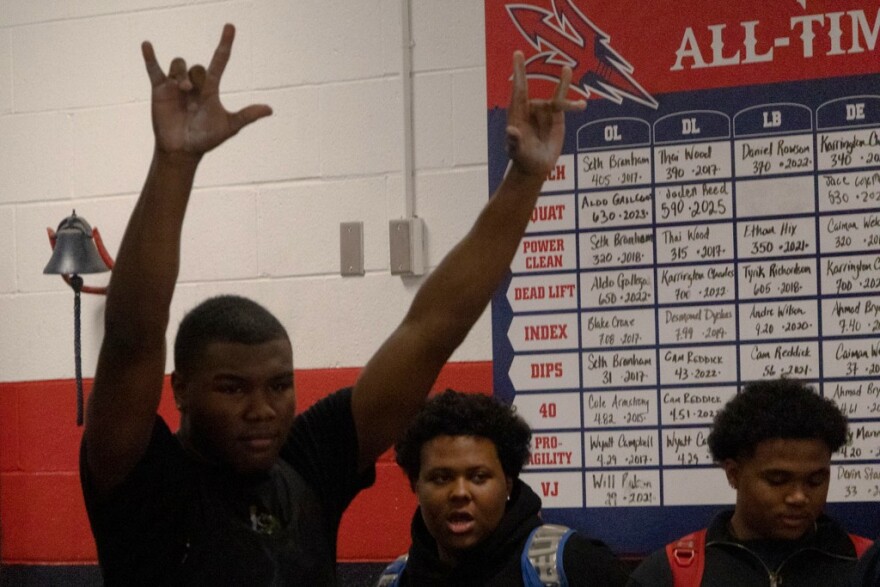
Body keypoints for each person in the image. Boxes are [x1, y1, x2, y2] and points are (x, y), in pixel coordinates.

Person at [78, 23, 586, 586]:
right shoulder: (141, 477)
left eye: (278, 384)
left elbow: (431, 330)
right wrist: (174, 165)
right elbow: (132, 339)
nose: (262, 409)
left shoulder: (308, 461)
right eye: (232, 387)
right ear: (181, 391)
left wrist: (525, 178)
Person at [628, 379, 870, 587]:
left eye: (815, 481)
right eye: (777, 480)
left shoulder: (868, 566)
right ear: (733, 473)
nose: (799, 496)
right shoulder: (669, 575)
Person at [377, 390, 631, 586]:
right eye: (441, 478)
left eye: (478, 477)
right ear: (415, 485)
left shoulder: (572, 564)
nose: (460, 493)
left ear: (508, 482)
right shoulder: (397, 580)